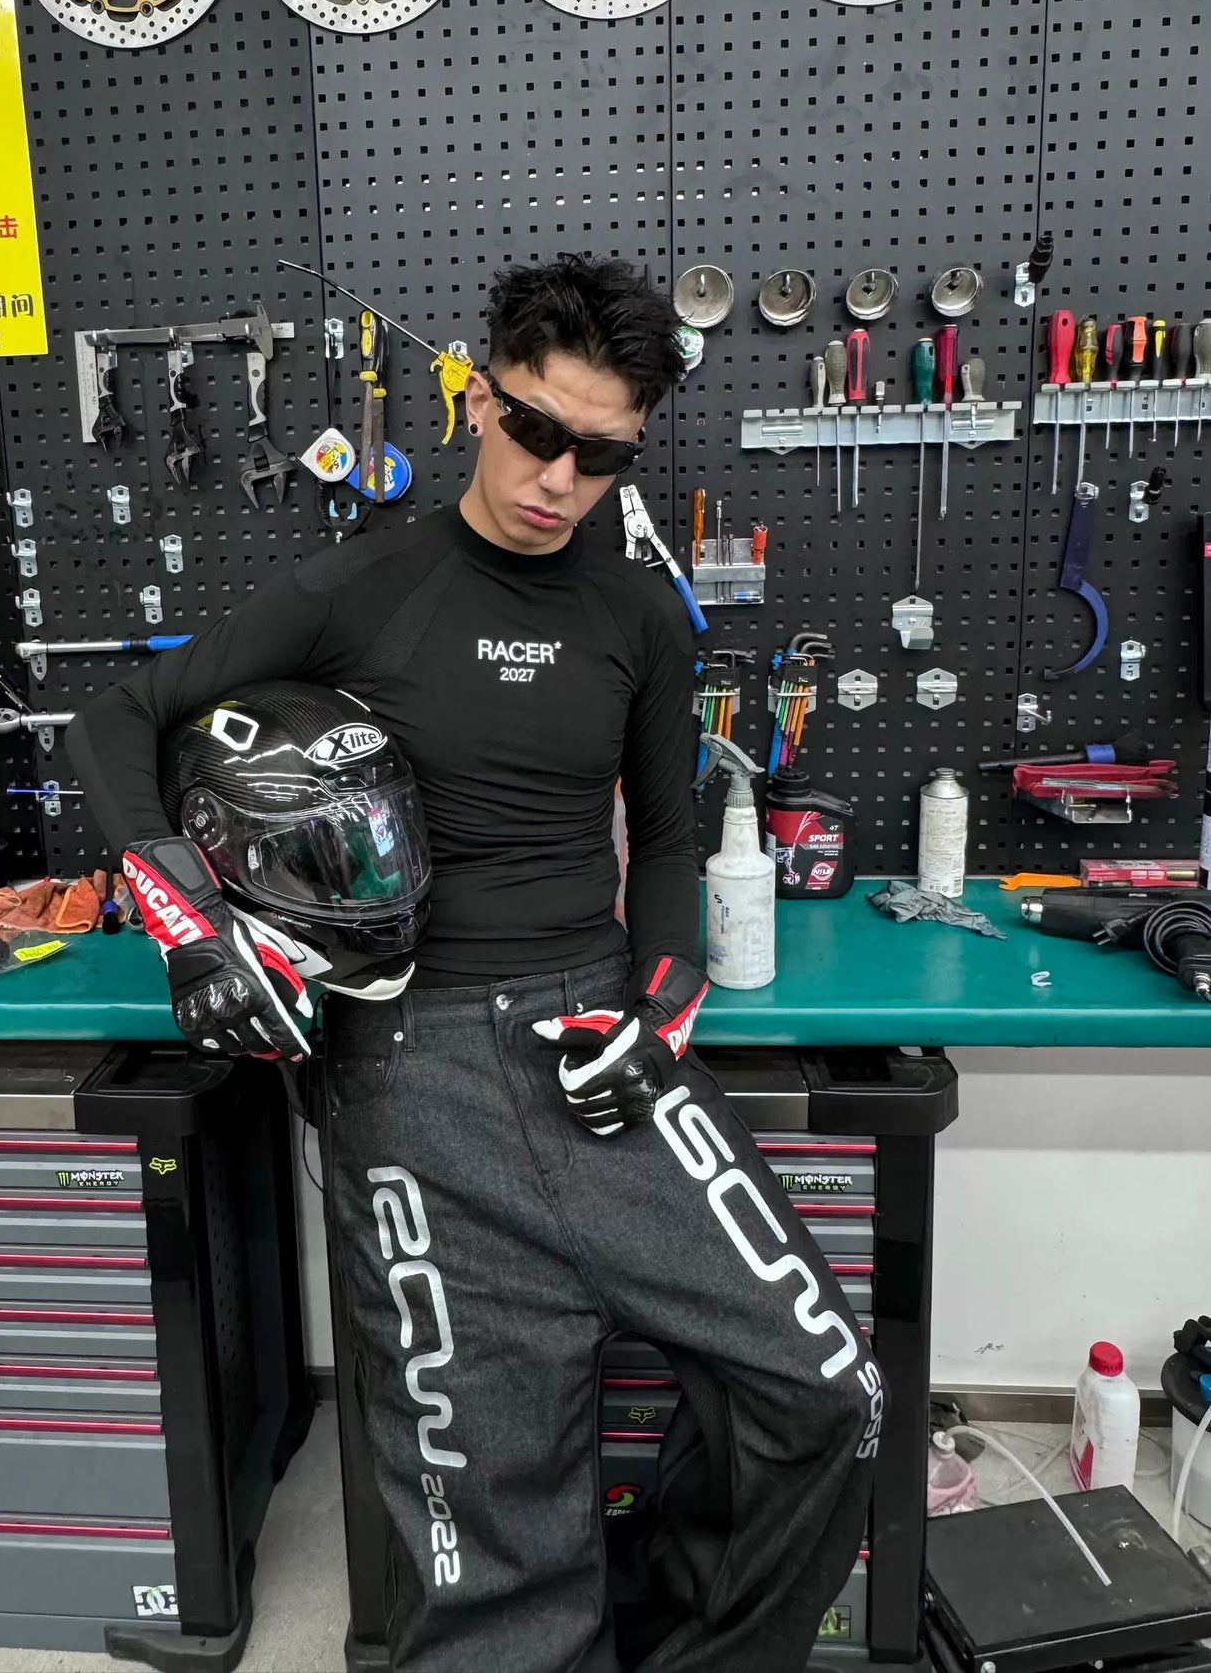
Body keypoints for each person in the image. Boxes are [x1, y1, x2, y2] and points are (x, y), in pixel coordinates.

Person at [67, 254, 883, 1673]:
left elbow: (668, 846)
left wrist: (661, 1011)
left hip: (596, 1042)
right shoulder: (360, 585)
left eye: (600, 454)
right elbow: (115, 723)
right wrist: (191, 919)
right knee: (491, 1542)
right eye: (536, 430)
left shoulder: (639, 615)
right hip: (411, 1059)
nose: (557, 478)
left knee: (828, 1397)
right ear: (479, 398)